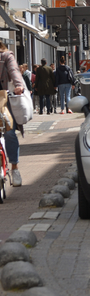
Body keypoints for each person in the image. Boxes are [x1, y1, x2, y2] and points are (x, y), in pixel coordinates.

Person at [0, 42, 26, 187]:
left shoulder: (6, 56)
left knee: (9, 132)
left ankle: (14, 168)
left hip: (3, 101)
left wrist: (18, 86)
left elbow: (14, 71)